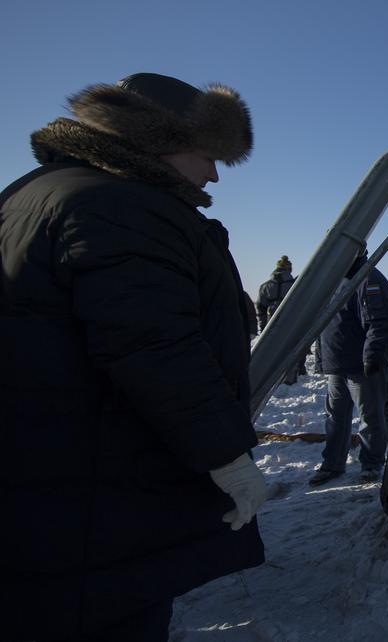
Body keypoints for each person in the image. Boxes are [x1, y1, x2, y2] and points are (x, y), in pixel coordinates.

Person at [0, 73, 267, 640]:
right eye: (208, 154)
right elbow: (155, 347)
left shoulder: (35, 193)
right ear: (158, 139)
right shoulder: (120, 206)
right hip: (94, 500)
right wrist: (228, 457)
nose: (213, 173)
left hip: (46, 483)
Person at [309, 252, 388, 485]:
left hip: (362, 367)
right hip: (337, 363)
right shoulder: (333, 281)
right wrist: (322, 357)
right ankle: (332, 464)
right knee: (335, 417)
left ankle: (371, 464)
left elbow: (381, 322)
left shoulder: (369, 279)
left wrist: (372, 357)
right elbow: (325, 322)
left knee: (369, 417)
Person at [257, 254, 307, 384]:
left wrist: (263, 326)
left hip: (271, 322)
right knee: (293, 347)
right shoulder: (295, 284)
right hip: (291, 322)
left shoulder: (265, 286)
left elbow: (261, 308)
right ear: (289, 269)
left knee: (272, 350)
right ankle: (296, 371)